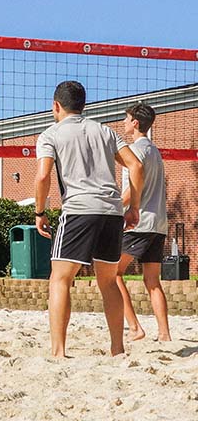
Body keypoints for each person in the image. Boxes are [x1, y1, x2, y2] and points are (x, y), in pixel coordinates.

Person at [34, 81, 143, 357]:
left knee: (59, 279)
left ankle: (58, 352)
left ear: (55, 106)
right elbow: (136, 165)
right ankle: (117, 349)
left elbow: (43, 176)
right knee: (108, 282)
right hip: (110, 211)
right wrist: (134, 208)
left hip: (79, 209)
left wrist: (39, 212)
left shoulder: (51, 134)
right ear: (83, 105)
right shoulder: (105, 131)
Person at [116, 103, 171, 342]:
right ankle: (165, 334)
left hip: (140, 222)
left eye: (126, 119)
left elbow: (133, 189)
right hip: (159, 223)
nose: (124, 123)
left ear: (135, 123)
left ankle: (135, 327)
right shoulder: (155, 151)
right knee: (152, 282)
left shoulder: (136, 150)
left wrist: (114, 207)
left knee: (112, 275)